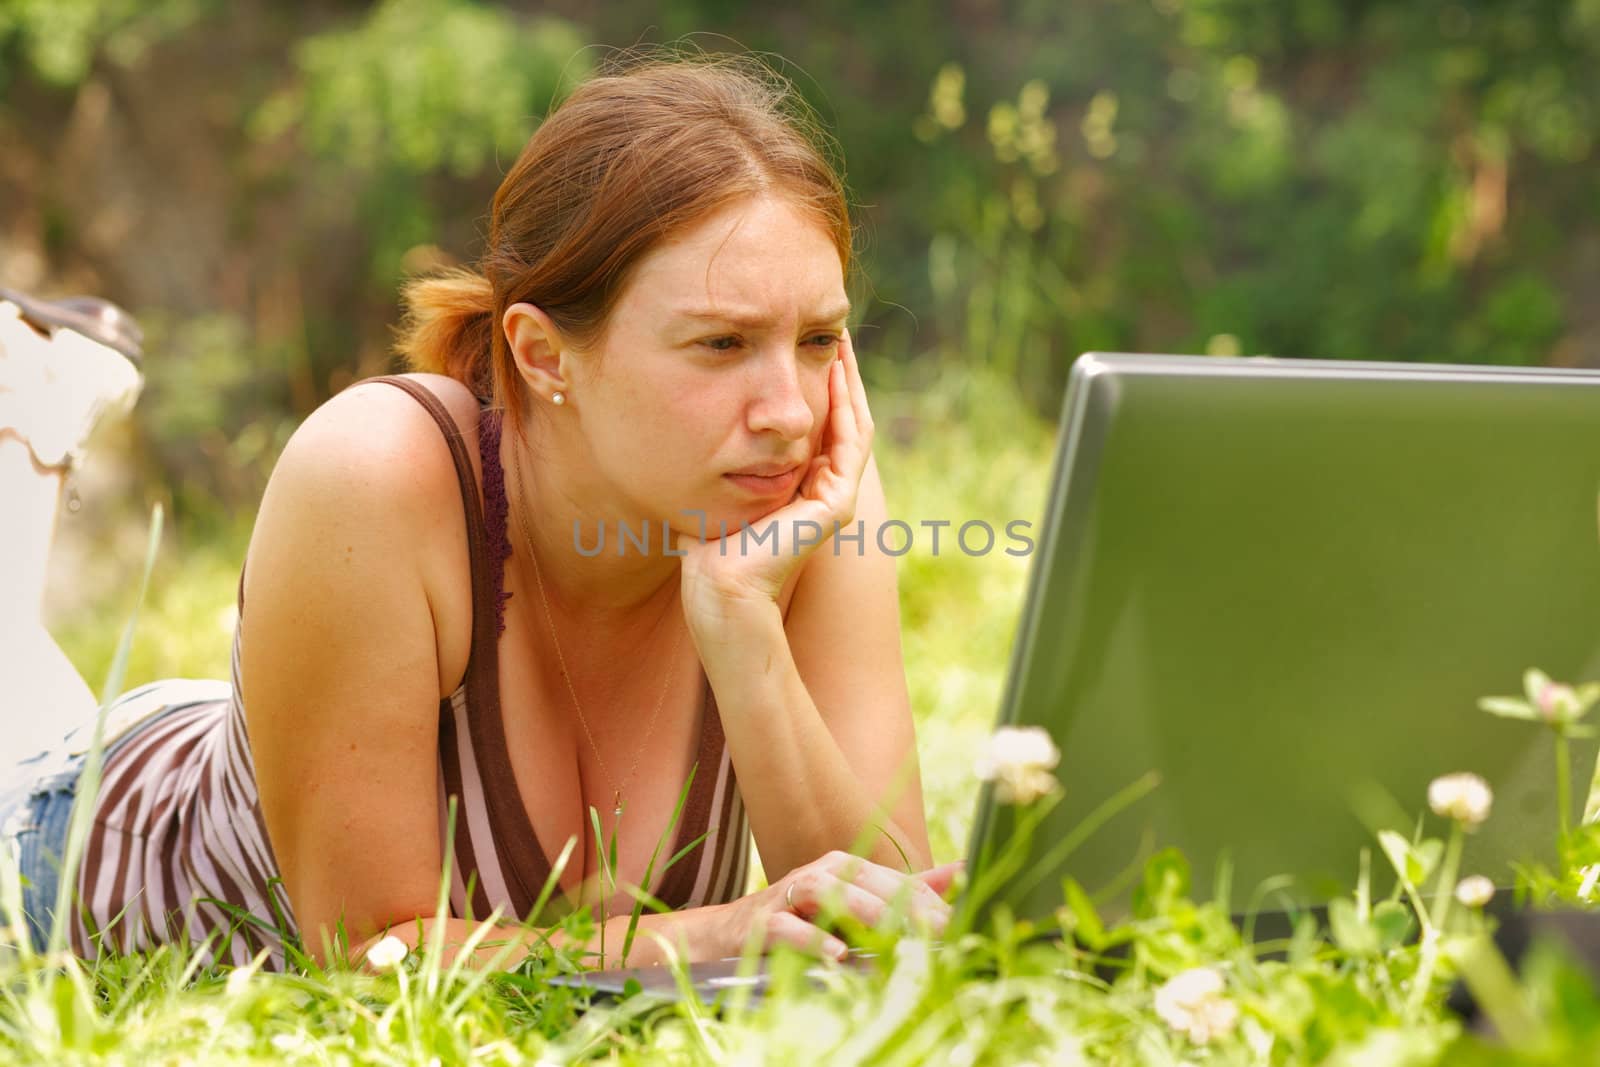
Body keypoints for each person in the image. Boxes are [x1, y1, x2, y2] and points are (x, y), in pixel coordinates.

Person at [0, 55, 958, 973]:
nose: (789, 409)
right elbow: (369, 953)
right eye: (720, 342)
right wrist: (710, 935)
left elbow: (891, 916)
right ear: (544, 357)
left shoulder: (798, 487)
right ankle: (32, 406)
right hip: (64, 829)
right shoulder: (375, 473)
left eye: (819, 338)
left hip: (303, 726)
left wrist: (745, 627)